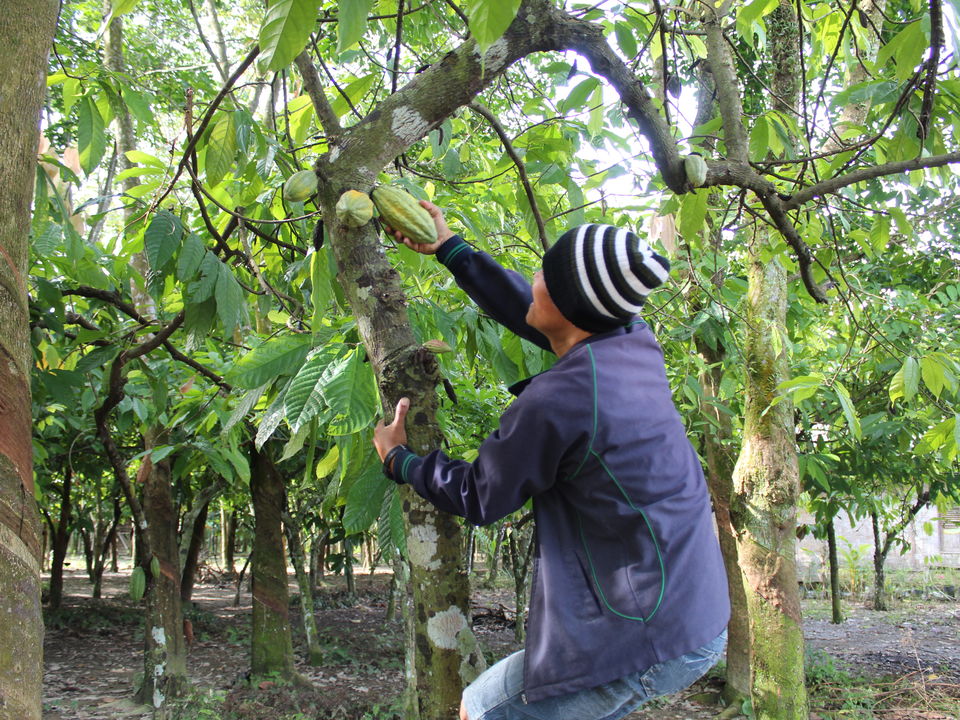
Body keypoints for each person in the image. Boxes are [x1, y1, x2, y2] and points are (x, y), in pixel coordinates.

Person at [373, 202, 729, 720]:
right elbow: (532, 306)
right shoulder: (630, 341)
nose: (533, 279)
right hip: (692, 611)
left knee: (481, 710)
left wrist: (399, 459)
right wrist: (451, 249)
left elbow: (480, 494)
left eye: (544, 275)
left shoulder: (559, 400)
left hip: (647, 633)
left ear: (568, 307)